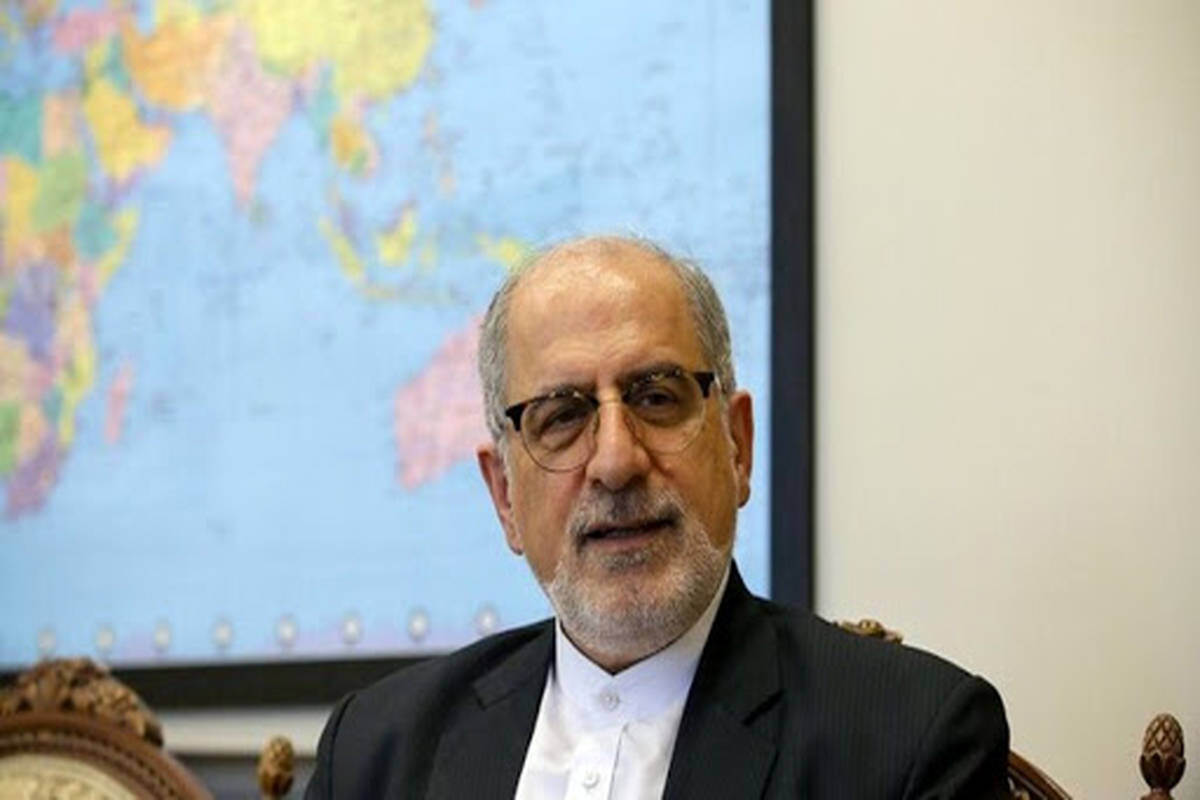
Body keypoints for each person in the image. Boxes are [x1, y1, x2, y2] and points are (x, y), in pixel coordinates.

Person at [305, 236, 1011, 799]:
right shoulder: (376, 753)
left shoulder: (909, 738)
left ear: (737, 446)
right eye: (562, 417)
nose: (615, 461)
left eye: (657, 398)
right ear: (505, 497)